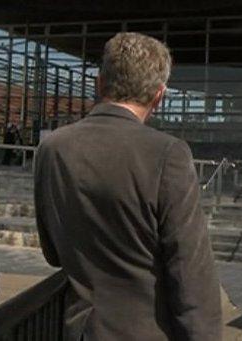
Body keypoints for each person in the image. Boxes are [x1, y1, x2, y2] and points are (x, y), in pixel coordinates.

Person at [35, 32, 222, 341]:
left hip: (80, 330)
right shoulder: (168, 154)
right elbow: (191, 272)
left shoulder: (53, 148)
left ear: (99, 84)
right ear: (158, 97)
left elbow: (52, 252)